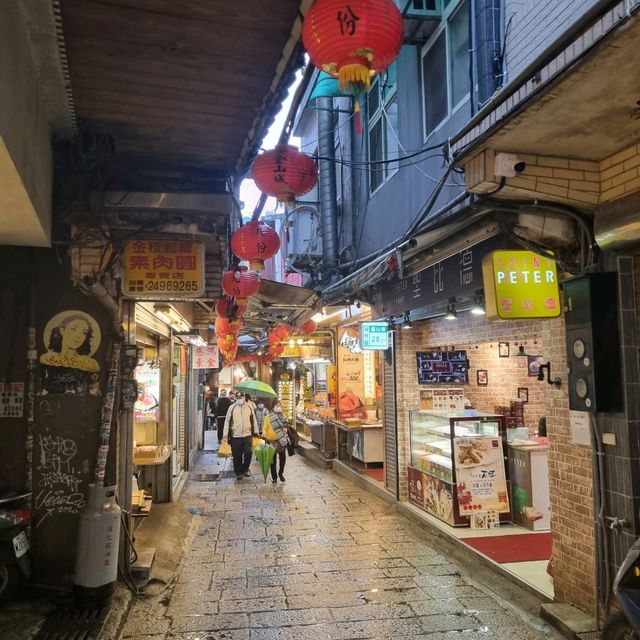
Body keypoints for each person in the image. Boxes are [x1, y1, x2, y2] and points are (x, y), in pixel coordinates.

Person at [222, 394, 257, 480]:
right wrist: (225, 435)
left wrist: (256, 432)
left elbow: (253, 420)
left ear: (244, 398)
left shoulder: (249, 407)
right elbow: (227, 421)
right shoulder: (232, 407)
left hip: (247, 435)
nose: (239, 400)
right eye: (237, 398)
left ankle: (245, 469)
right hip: (235, 436)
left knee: (248, 453)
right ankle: (238, 473)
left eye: (240, 398)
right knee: (237, 456)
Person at [263, 400, 289, 484]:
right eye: (277, 405)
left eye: (279, 406)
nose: (279, 407)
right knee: (272, 460)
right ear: (273, 406)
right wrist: (264, 432)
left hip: (281, 440)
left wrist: (286, 429)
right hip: (272, 441)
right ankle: (274, 477)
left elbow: (286, 425)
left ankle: (281, 473)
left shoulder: (283, 416)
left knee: (282, 459)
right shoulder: (268, 417)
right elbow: (264, 427)